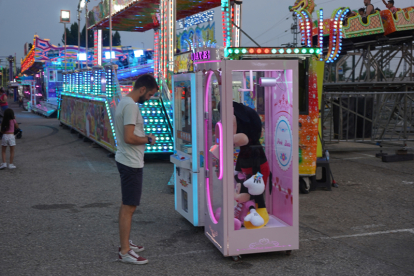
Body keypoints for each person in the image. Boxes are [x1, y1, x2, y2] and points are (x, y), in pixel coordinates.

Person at [115, 74, 158, 265]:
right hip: (130, 162)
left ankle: (125, 244)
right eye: (149, 95)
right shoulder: (131, 106)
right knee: (129, 206)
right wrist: (148, 139)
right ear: (142, 90)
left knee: (128, 204)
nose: (148, 98)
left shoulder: (124, 102)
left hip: (127, 159)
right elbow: (129, 137)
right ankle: (125, 251)